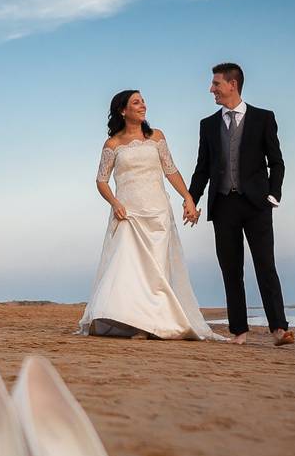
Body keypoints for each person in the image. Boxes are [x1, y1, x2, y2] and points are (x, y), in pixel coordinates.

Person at [77, 90, 223, 341]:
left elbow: (171, 171)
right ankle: (131, 320)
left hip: (158, 213)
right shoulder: (112, 144)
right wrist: (114, 202)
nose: (143, 105)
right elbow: (101, 181)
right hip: (128, 214)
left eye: (143, 101)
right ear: (123, 111)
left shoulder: (157, 137)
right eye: (136, 102)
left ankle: (149, 325)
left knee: (156, 270)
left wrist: (188, 198)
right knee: (126, 268)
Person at [189, 63, 294, 346]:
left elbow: (277, 162)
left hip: (257, 205)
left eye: (216, 84)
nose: (211, 89)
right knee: (231, 269)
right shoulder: (208, 125)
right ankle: (239, 331)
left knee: (265, 265)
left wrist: (273, 195)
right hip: (223, 206)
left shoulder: (263, 118)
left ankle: (279, 329)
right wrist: (192, 200)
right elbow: (202, 169)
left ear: (232, 84)